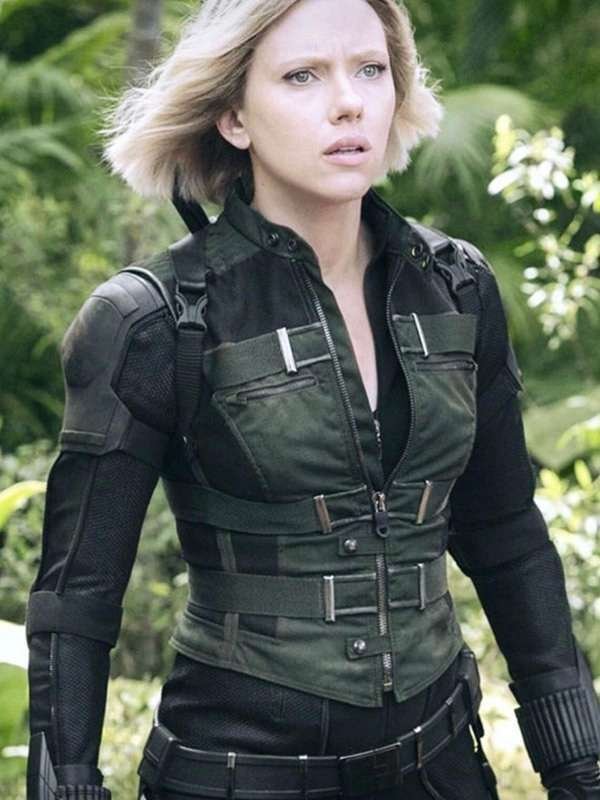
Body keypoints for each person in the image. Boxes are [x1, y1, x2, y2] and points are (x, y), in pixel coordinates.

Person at [25, 1, 600, 799]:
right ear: (233, 116)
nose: (348, 102)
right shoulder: (153, 320)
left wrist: (580, 766)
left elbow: (506, 537)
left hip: (443, 768)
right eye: (303, 76)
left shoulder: (456, 287)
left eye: (370, 69)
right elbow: (77, 601)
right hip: (235, 777)